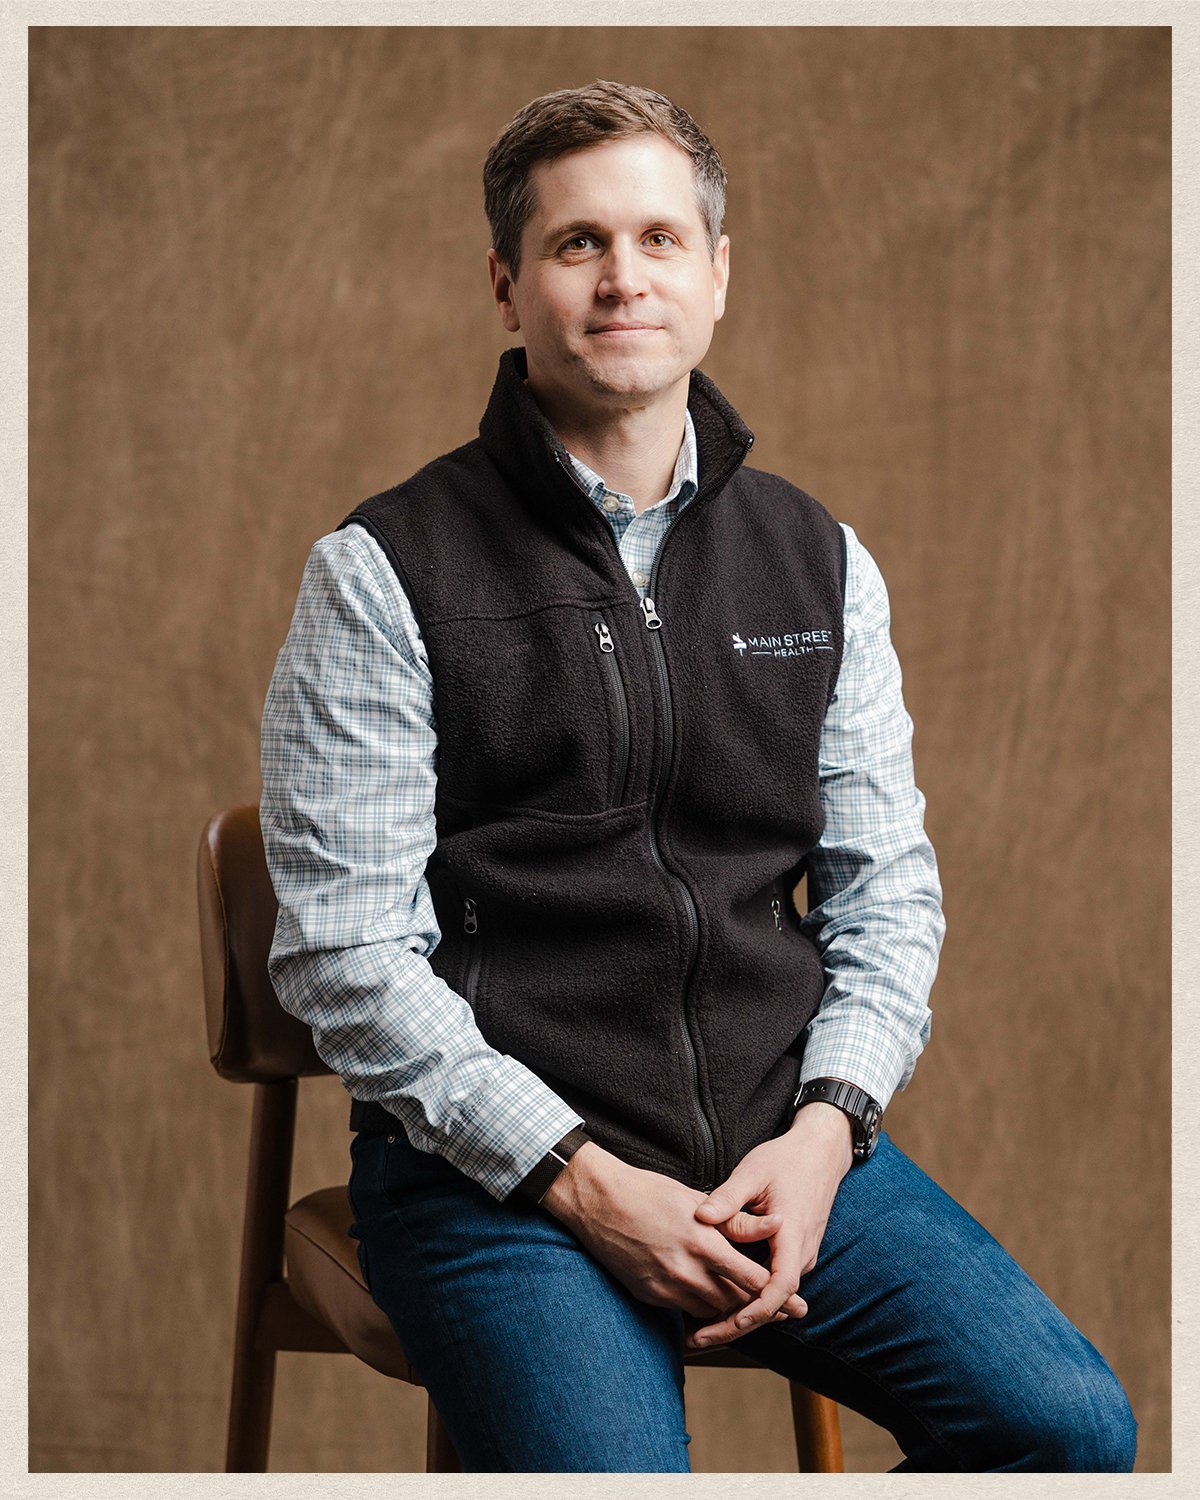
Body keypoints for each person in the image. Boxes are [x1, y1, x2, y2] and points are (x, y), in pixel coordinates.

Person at [259, 80, 1136, 1473]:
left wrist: (826, 1134)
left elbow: (887, 899)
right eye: (578, 243)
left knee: (1068, 1434)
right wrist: (585, 1184)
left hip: (776, 1143)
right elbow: (347, 955)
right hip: (499, 1179)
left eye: (660, 239)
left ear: (717, 275)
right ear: (507, 287)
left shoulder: (818, 559)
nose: (624, 278)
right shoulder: (383, 572)